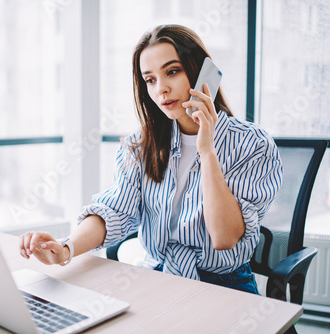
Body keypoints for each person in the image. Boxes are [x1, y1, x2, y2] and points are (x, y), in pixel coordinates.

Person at [19, 24, 282, 294]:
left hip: (225, 285)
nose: (161, 90)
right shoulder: (141, 145)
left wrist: (207, 151)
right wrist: (65, 249)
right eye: (150, 80)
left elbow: (224, 238)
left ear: (202, 72)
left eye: (172, 71)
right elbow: (115, 211)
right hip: (159, 275)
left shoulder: (253, 143)